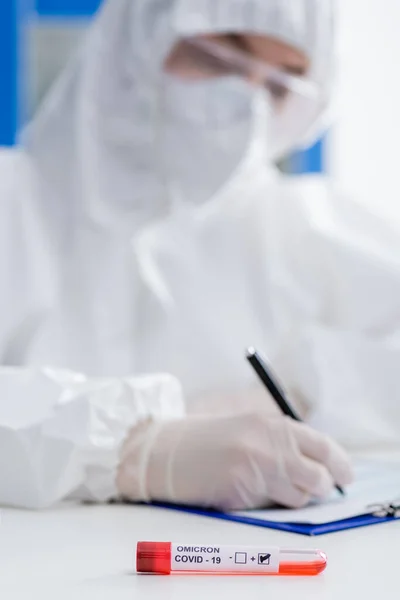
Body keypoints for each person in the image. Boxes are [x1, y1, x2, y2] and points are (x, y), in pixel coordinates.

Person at [1, 0, 399, 512]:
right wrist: (135, 450)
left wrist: (309, 385)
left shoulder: (295, 225)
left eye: (280, 87)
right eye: (218, 61)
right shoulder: (13, 204)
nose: (246, 104)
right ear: (130, 44)